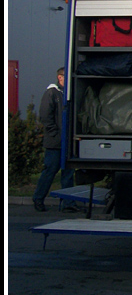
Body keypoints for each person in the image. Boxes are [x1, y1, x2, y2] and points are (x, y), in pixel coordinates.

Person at [33, 67, 79, 213]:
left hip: (67, 142)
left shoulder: (67, 94)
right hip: (55, 143)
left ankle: (68, 203)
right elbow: (45, 116)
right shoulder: (52, 93)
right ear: (60, 77)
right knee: (50, 171)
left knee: (68, 173)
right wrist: (56, 135)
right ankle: (38, 198)